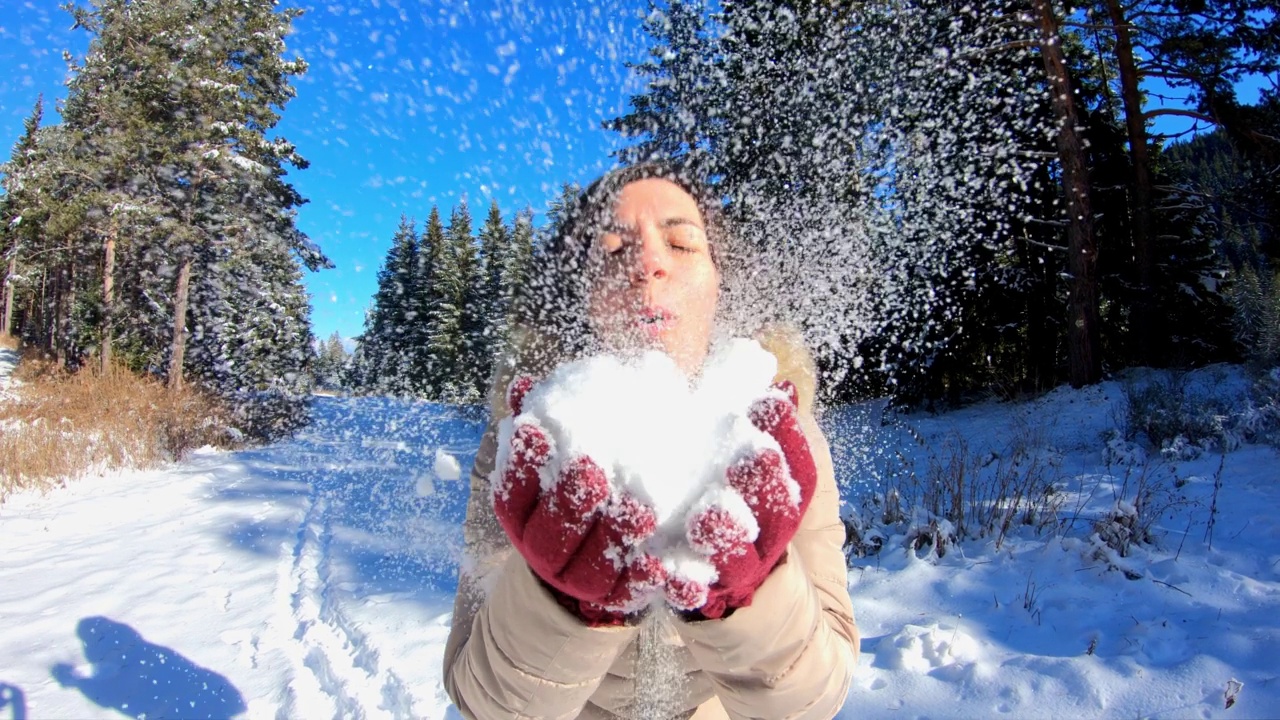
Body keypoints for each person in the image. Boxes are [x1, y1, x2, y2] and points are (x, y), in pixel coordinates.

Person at [443, 162, 858, 719]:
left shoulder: (778, 438)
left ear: (720, 283)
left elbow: (817, 701)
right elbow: (478, 701)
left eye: (683, 244)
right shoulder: (527, 445)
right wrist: (560, 604)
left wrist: (748, 601)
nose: (647, 263)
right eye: (613, 251)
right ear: (582, 297)